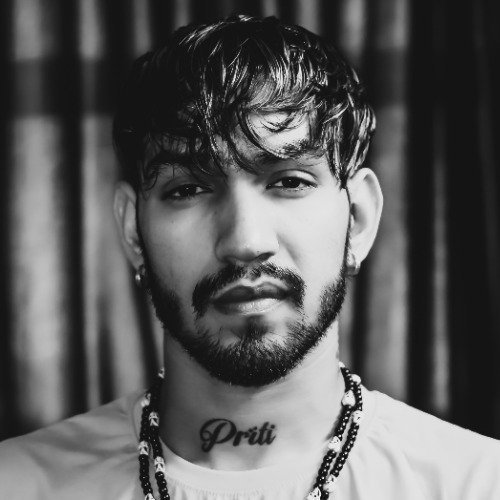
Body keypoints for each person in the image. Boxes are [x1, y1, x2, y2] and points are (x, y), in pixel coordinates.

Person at [0, 14, 499, 500]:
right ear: (134, 230)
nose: (245, 241)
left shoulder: (477, 484)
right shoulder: (16, 484)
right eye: (188, 189)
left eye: (290, 181)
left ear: (359, 219)